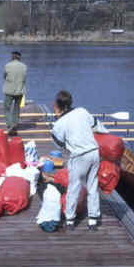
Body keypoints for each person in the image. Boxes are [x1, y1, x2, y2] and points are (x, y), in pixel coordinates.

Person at [51, 90, 101, 231]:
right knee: (93, 186)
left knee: (74, 187)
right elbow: (96, 125)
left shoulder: (59, 124)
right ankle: (93, 220)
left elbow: (59, 143)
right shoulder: (82, 111)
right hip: (94, 152)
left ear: (58, 106)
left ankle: (70, 220)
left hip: (79, 156)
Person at [3, 51, 27, 136]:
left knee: (7, 108)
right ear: (19, 57)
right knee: (17, 108)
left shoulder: (7, 65)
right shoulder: (24, 66)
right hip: (20, 90)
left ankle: (10, 124)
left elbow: (4, 76)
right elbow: (24, 78)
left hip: (9, 90)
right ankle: (15, 124)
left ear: (12, 57)